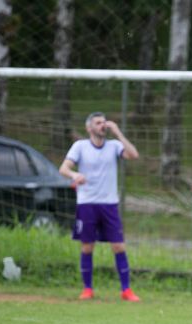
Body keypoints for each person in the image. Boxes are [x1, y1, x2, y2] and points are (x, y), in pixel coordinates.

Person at [59, 112, 141, 301]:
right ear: (89, 128)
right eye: (98, 123)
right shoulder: (80, 146)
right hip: (87, 203)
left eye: (104, 122)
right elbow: (63, 168)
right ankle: (87, 289)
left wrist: (118, 132)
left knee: (118, 246)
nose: (102, 125)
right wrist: (74, 175)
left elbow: (133, 154)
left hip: (109, 204)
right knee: (87, 247)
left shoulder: (114, 146)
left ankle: (126, 290)